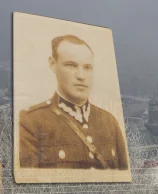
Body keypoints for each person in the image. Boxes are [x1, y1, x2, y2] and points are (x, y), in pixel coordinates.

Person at [19, 34, 129, 170]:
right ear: (52, 64)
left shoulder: (109, 122)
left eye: (88, 68)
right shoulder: (31, 122)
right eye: (71, 65)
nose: (81, 76)